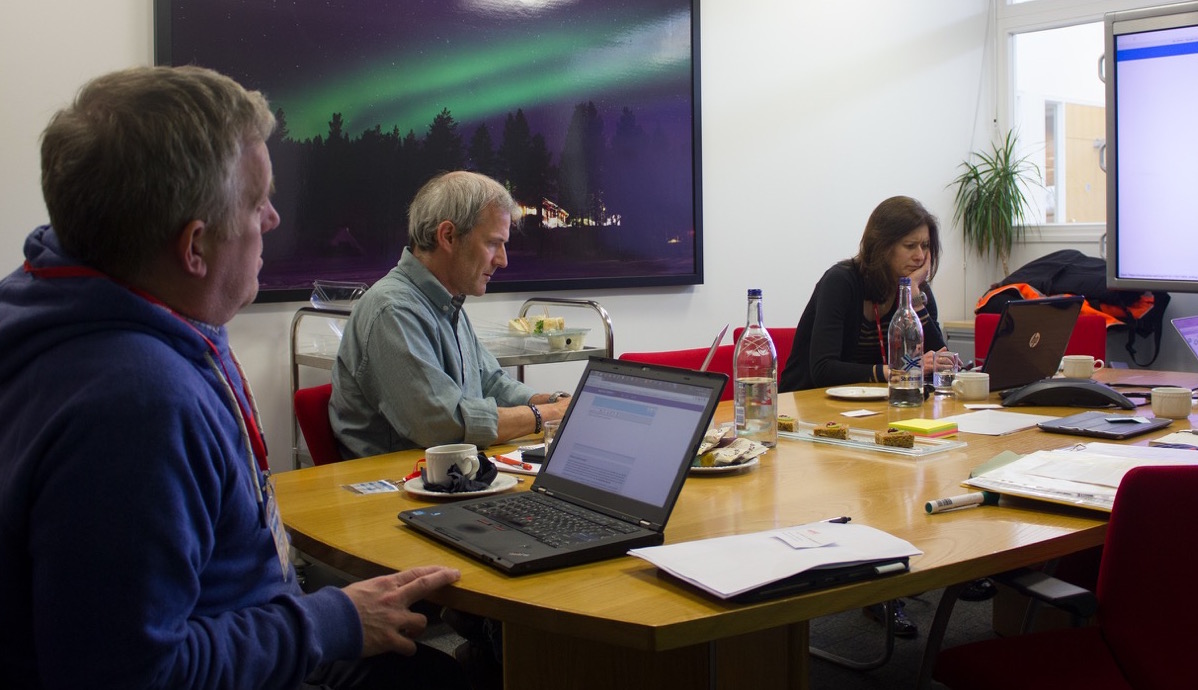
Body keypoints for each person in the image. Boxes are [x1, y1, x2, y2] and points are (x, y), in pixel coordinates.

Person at [0, 66, 468, 689]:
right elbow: (133, 674)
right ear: (194, 247)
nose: (272, 219)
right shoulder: (136, 403)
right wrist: (331, 621)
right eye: (257, 202)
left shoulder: (72, 302)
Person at [329, 170, 572, 461]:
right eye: (493, 243)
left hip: (445, 479)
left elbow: (490, 382)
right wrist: (543, 415)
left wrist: (554, 403)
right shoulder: (392, 310)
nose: (503, 260)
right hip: (393, 490)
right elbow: (443, 422)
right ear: (448, 236)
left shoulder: (447, 303)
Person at [779, 195, 950, 393]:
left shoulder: (916, 290)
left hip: (877, 405)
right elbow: (823, 369)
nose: (920, 256)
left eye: (925, 246)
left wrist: (915, 300)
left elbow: (941, 361)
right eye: (910, 246)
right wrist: (894, 372)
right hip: (809, 404)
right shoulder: (841, 282)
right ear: (883, 246)